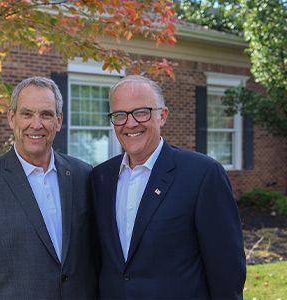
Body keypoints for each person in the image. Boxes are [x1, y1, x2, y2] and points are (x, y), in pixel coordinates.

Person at [92, 75, 246, 299]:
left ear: (162, 116)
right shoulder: (101, 177)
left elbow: (227, 268)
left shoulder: (202, 174)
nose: (130, 123)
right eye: (120, 115)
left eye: (141, 112)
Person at [0, 76, 97, 299]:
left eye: (46, 114)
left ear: (58, 121)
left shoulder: (83, 175)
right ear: (12, 118)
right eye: (27, 114)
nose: (36, 124)